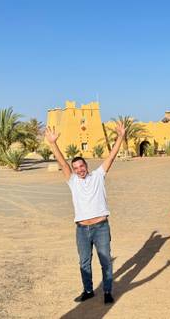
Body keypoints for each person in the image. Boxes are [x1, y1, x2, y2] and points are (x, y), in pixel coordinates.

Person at [45, 122, 125, 304]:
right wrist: (53, 143)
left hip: (101, 227)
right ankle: (88, 290)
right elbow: (62, 163)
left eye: (82, 166)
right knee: (84, 262)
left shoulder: (98, 176)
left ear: (86, 165)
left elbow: (111, 158)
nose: (80, 169)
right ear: (73, 171)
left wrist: (120, 137)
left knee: (105, 261)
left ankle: (107, 292)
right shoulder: (73, 181)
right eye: (76, 168)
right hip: (82, 229)